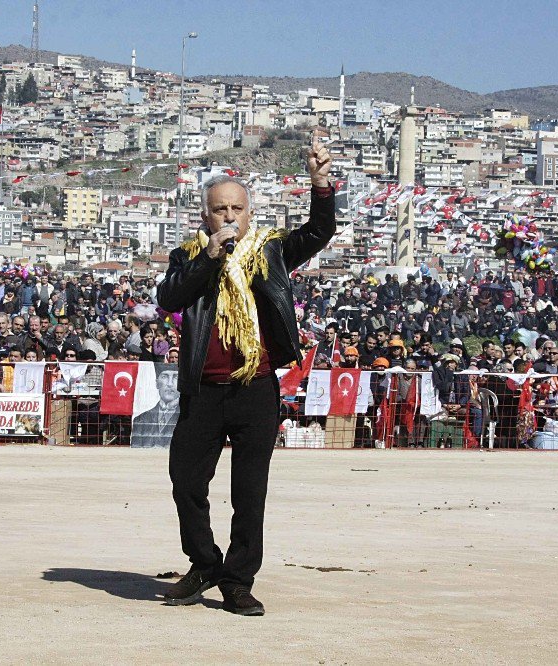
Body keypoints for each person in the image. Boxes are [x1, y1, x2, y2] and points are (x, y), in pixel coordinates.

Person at [156, 134, 334, 616]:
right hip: (203, 391)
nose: (229, 216)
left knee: (248, 492)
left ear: (249, 213)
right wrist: (209, 257)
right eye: (220, 209)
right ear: (205, 216)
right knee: (186, 481)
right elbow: (170, 298)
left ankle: (237, 581)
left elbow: (317, 234)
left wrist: (320, 185)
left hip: (255, 388)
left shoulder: (269, 252)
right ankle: (205, 562)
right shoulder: (188, 257)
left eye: (236, 208)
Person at [130, 366, 181, 448]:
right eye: (165, 377)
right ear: (157, 383)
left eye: (176, 377)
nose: (170, 384)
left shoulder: (187, 418)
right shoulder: (140, 420)